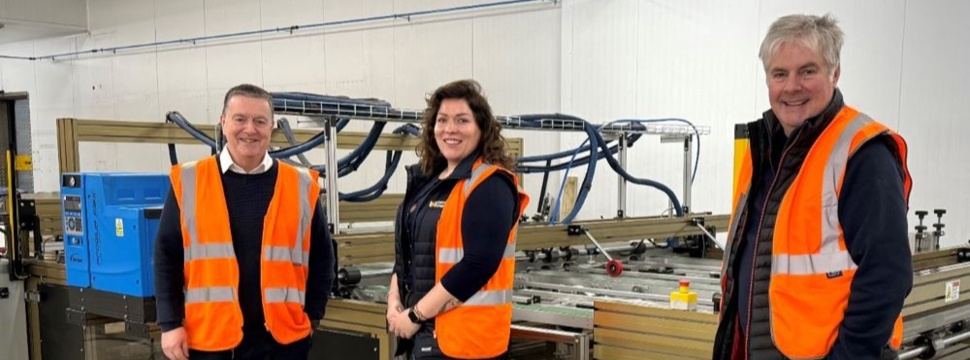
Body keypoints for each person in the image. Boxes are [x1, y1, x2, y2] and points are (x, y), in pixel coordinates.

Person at [712, 14, 914, 360]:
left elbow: (888, 273)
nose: (791, 87)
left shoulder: (862, 154)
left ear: (834, 73)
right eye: (780, 74)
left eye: (807, 71)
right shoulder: (761, 152)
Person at [154, 84, 335, 360]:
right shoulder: (190, 181)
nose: (250, 129)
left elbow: (323, 258)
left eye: (260, 121)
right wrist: (169, 324)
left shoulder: (299, 185)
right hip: (210, 341)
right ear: (223, 122)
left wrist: (312, 317)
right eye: (240, 119)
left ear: (271, 127)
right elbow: (167, 257)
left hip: (282, 342)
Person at [385, 79, 530, 359]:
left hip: (466, 343)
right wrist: (393, 303)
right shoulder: (427, 182)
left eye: (462, 120)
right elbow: (406, 253)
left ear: (481, 128)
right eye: (442, 120)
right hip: (425, 337)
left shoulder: (490, 184)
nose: (450, 129)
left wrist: (414, 315)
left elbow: (477, 265)